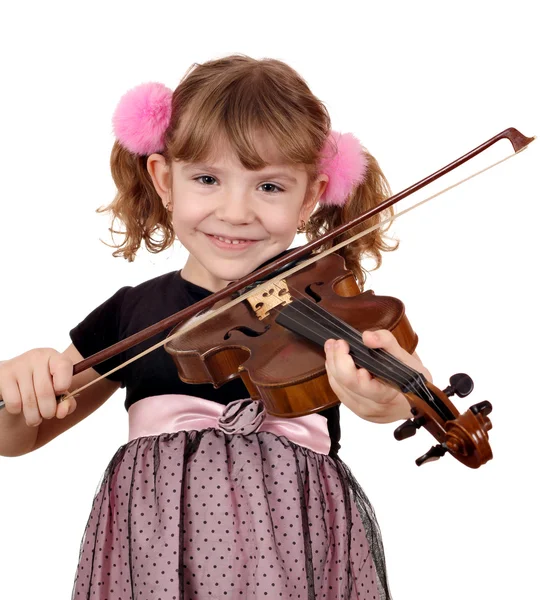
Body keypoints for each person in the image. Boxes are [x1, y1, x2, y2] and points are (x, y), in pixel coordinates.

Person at [0, 55, 431, 599]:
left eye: (270, 187)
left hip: (296, 547)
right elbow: (17, 438)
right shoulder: (133, 313)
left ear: (310, 198)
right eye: (207, 178)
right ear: (164, 180)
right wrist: (18, 388)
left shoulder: (328, 310)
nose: (235, 211)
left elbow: (404, 389)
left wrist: (391, 400)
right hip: (157, 555)